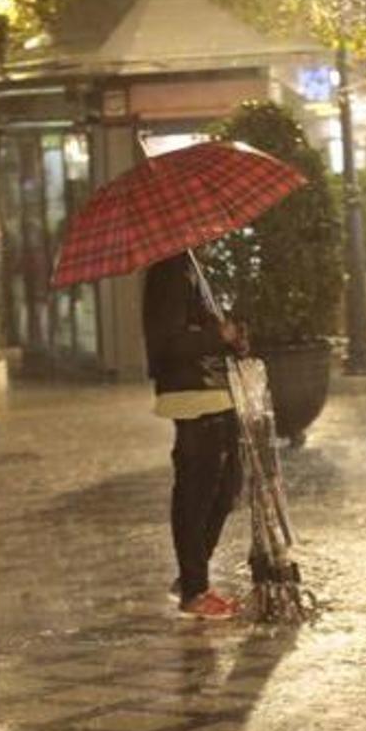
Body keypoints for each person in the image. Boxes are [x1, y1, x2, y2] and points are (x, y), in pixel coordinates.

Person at [142, 253, 248, 621]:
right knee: (195, 496)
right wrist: (217, 335)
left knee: (227, 490)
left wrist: (231, 341)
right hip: (191, 395)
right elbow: (166, 343)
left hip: (215, 391)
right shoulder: (168, 271)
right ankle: (194, 589)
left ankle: (191, 575)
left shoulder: (192, 265)